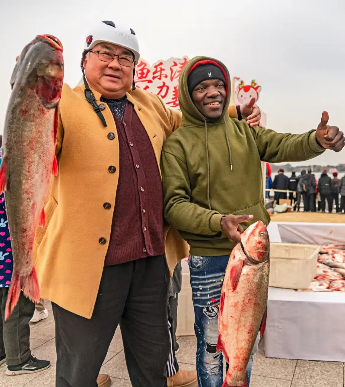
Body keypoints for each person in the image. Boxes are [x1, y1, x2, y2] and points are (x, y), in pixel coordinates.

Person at [32, 21, 261, 387]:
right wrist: (33, 87)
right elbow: (39, 134)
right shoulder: (64, 104)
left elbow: (185, 117)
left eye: (126, 57)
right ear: (85, 59)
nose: (115, 63)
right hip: (89, 265)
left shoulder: (147, 103)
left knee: (151, 367)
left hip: (151, 262)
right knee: (79, 370)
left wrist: (235, 111)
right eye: (104, 53)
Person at [161, 56, 344, 387]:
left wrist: (317, 140)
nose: (212, 92)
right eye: (201, 87)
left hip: (255, 259)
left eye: (218, 85)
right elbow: (174, 205)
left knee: (244, 342)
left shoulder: (246, 132)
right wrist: (218, 221)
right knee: (212, 347)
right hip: (211, 259)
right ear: (188, 96)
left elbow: (284, 144)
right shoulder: (178, 144)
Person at [0, 139, 51, 377]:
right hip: (13, 253)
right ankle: (18, 360)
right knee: (19, 308)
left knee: (5, 306)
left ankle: (4, 353)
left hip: (4, 255)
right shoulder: (12, 165)